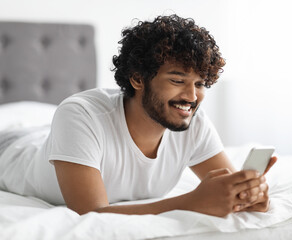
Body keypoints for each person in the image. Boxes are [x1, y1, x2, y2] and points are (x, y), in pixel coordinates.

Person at [0, 14, 276, 217]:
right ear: (137, 79)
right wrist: (192, 202)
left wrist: (249, 194)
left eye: (201, 84)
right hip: (12, 146)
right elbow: (92, 214)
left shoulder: (193, 121)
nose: (192, 97)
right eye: (177, 80)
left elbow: (225, 188)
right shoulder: (81, 114)